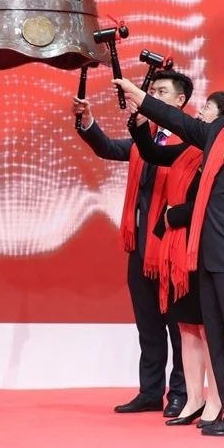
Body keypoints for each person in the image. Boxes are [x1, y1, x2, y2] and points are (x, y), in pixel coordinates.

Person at [113, 69, 224, 444]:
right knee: (220, 340)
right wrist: (139, 97)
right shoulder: (219, 134)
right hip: (209, 257)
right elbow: (177, 121)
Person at [71, 69, 192, 418]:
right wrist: (88, 121)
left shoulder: (190, 141)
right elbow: (108, 148)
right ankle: (150, 392)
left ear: (180, 100)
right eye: (152, 90)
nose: (152, 96)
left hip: (171, 248)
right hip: (140, 247)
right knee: (148, 325)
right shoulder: (145, 139)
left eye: (162, 92)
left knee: (179, 327)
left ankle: (182, 394)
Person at [129, 91, 224, 428]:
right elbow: (152, 152)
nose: (200, 112)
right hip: (176, 247)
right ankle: (194, 399)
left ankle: (216, 399)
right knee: (186, 327)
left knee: (207, 328)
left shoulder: (220, 153)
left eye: (208, 108)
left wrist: (175, 215)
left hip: (200, 246)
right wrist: (139, 122)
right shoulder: (188, 150)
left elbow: (211, 200)